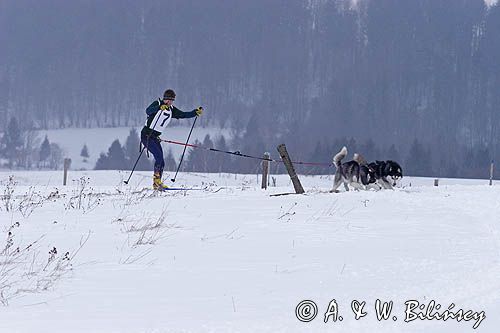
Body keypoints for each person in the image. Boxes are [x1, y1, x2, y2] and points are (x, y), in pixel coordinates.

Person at [141, 89, 203, 190]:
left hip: (155, 137)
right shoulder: (157, 103)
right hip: (146, 136)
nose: (169, 102)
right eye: (167, 100)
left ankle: (157, 183)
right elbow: (148, 110)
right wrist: (159, 108)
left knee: (162, 161)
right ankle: (156, 182)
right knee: (159, 157)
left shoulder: (171, 109)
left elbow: (183, 114)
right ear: (164, 99)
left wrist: (195, 113)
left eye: (171, 100)